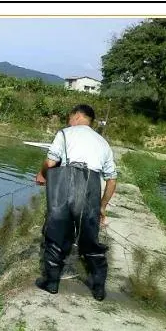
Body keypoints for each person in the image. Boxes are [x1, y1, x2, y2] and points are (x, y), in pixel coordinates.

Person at [34, 104, 117, 301]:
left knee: (56, 235)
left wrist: (42, 175)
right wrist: (102, 206)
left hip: (65, 186)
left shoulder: (65, 134)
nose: (68, 121)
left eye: (70, 118)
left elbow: (50, 163)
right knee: (90, 241)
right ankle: (98, 289)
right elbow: (112, 180)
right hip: (91, 189)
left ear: (78, 116)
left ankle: (51, 283)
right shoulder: (103, 143)